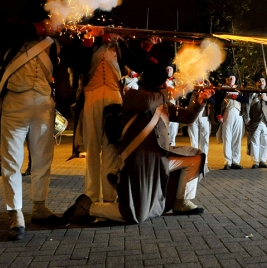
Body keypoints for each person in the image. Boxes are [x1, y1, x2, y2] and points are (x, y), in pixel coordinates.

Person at [63, 58, 215, 224]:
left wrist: (199, 101)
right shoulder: (134, 96)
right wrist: (171, 93)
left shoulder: (161, 100)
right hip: (139, 163)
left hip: (161, 158)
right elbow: (145, 104)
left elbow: (187, 117)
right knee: (136, 215)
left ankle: (181, 201)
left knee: (196, 158)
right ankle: (89, 208)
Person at [0, 0, 65, 241]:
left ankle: (40, 208)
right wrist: (40, 27)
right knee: (11, 161)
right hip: (14, 101)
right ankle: (16, 213)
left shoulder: (53, 43)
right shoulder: (14, 32)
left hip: (44, 104)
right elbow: (4, 30)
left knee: (42, 161)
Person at [64, 9, 158, 205]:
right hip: (91, 95)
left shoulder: (119, 44)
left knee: (111, 148)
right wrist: (95, 38)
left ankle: (109, 197)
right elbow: (78, 64)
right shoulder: (85, 40)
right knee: (92, 148)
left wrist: (146, 46)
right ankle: (91, 195)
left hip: (115, 98)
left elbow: (137, 65)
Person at [243, 72, 267, 168]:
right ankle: (255, 161)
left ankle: (263, 161)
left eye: (263, 81)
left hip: (266, 122)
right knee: (255, 141)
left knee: (265, 142)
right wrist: (247, 118)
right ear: (256, 83)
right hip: (255, 121)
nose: (261, 82)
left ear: (265, 82)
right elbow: (247, 106)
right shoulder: (252, 94)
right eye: (259, 81)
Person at [215, 70, 248, 170]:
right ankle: (228, 161)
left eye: (232, 77)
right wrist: (218, 115)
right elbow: (217, 102)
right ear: (226, 79)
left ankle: (236, 161)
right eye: (228, 77)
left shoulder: (239, 89)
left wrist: (235, 96)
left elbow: (246, 100)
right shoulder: (222, 89)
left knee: (237, 138)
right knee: (227, 138)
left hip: (238, 114)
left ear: (235, 78)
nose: (230, 79)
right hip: (227, 113)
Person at [186, 78, 215, 164]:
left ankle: (204, 161)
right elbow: (186, 100)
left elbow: (213, 100)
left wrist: (205, 94)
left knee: (205, 139)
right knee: (194, 139)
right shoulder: (190, 86)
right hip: (193, 115)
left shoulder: (208, 85)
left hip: (204, 115)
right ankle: (195, 160)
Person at [165, 59, 179, 147]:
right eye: (167, 69)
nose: (169, 70)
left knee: (173, 131)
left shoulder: (176, 82)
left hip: (174, 108)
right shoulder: (161, 82)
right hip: (164, 108)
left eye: (170, 68)